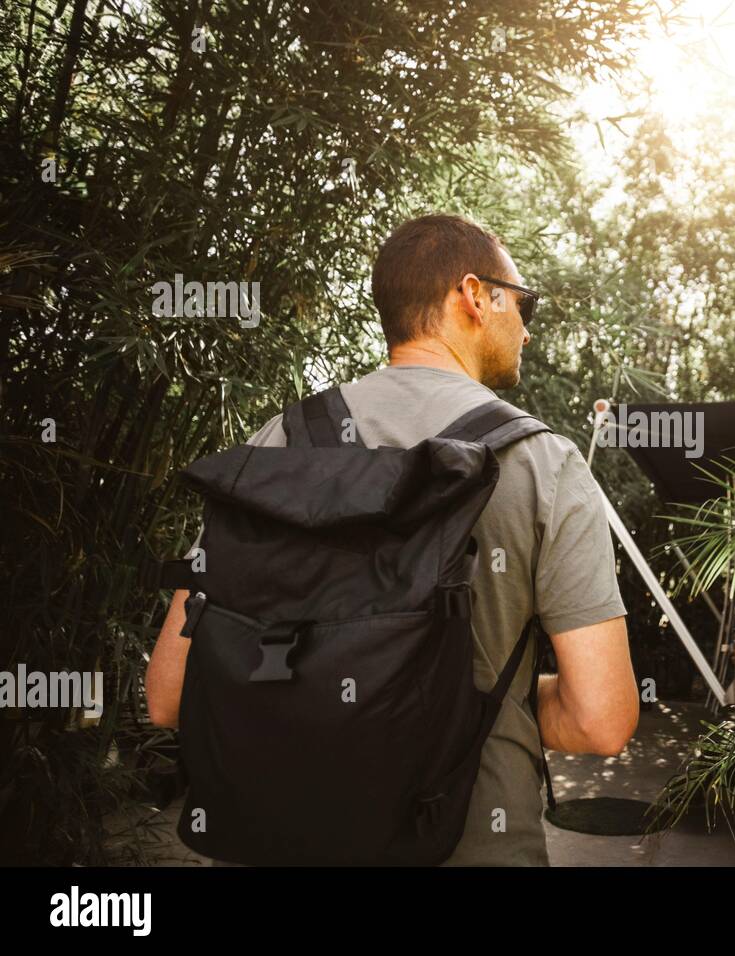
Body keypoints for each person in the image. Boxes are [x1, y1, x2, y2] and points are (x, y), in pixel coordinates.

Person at [145, 212, 639, 866]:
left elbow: (169, 697)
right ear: (472, 295)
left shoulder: (275, 446)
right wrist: (486, 698)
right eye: (523, 304)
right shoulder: (542, 463)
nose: (525, 325)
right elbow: (601, 719)